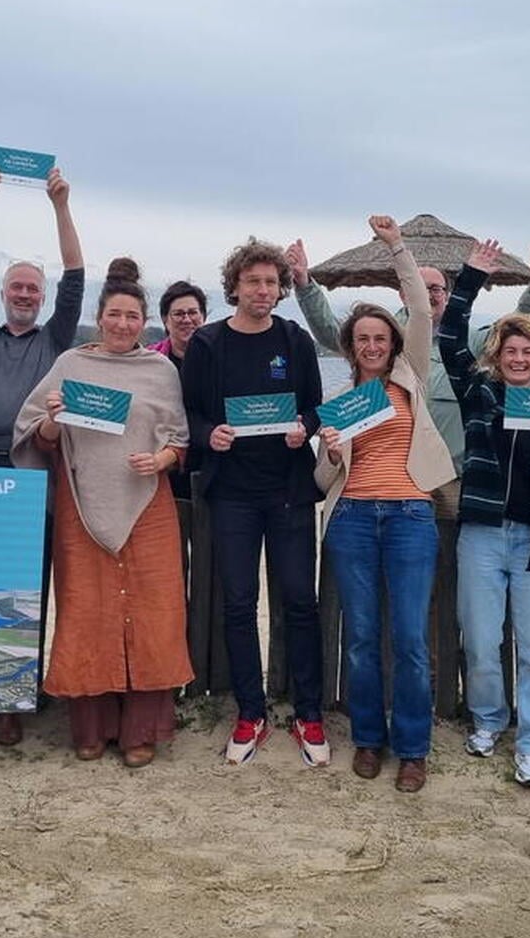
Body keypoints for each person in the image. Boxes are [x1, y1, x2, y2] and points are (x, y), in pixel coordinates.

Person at [11, 263, 193, 766]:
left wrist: (162, 459)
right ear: (99, 317)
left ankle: (141, 731)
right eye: (114, 314)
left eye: (132, 316)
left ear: (143, 323)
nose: (123, 324)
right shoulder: (70, 364)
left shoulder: (161, 371)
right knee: (86, 612)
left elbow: (179, 437)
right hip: (82, 503)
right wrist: (51, 421)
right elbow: (35, 438)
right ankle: (92, 728)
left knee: (154, 613)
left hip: (147, 505)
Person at [0, 159, 86, 746]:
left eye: (33, 288)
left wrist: (60, 205)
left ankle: (11, 700)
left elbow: (78, 273)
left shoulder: (55, 338)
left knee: (28, 588)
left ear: (43, 297)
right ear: (5, 296)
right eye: (17, 287)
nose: (25, 294)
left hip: (31, 474)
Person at [313, 216, 456, 793]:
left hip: (410, 518)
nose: (372, 346)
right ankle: (370, 740)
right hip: (350, 520)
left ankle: (414, 748)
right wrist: (330, 450)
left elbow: (421, 310)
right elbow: (324, 480)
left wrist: (398, 248)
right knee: (364, 637)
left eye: (380, 338)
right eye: (362, 339)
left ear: (392, 343)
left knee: (413, 641)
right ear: (351, 347)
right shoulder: (343, 401)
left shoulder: (410, 377)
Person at [437, 240, 530, 790]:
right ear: (498, 356)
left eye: (527, 353)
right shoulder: (479, 393)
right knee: (479, 640)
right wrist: (471, 277)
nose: (519, 360)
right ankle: (488, 721)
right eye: (510, 352)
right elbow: (450, 337)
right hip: (480, 533)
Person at [179, 238, 328, 766]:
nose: (262, 290)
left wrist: (302, 429)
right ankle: (251, 711)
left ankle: (308, 713)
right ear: (235, 287)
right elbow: (189, 414)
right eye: (253, 282)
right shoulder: (207, 344)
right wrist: (209, 435)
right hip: (232, 496)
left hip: (287, 492)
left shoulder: (295, 340)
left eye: (271, 282)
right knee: (239, 606)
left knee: (300, 603)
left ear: (281, 288)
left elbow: (315, 407)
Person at [291, 236, 530, 516]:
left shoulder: (472, 344)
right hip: (395, 477)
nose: (429, 295)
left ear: (447, 295)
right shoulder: (385, 340)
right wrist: (305, 285)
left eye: (437, 288)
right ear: (405, 293)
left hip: (450, 473)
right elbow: (331, 331)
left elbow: (514, 334)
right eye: (422, 288)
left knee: (448, 556)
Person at [153, 280, 207, 501]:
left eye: (193, 312)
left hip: (210, 465)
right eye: (178, 314)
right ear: (165, 320)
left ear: (203, 317)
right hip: (163, 466)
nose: (187, 319)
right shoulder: (149, 361)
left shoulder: (221, 359)